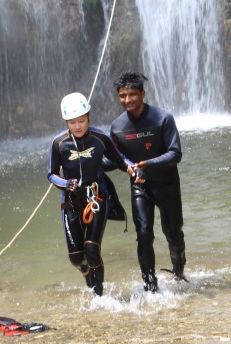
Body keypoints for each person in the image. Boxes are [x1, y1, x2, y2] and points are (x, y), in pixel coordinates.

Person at [47, 92, 133, 296]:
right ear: (66, 122)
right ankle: (86, 272)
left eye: (82, 121)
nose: (78, 126)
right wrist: (65, 184)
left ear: (89, 117)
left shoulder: (100, 138)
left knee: (92, 248)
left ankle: (99, 297)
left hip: (97, 196)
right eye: (73, 122)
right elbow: (51, 174)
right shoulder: (58, 143)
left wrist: (133, 170)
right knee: (77, 257)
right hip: (71, 200)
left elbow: (120, 160)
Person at [110, 71, 187, 293]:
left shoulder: (163, 118)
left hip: (167, 184)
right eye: (123, 95)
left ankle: (179, 272)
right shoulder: (117, 127)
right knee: (143, 234)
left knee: (173, 232)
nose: (127, 100)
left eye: (132, 94)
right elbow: (117, 157)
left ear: (143, 94)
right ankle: (149, 285)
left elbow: (175, 154)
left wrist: (147, 164)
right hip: (140, 185)